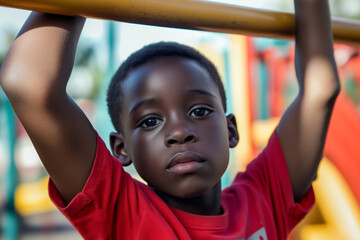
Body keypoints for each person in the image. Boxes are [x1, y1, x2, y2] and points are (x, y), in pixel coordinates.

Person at [0, 0, 340, 239]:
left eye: (199, 111)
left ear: (230, 129)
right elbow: (29, 85)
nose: (179, 132)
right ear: (121, 148)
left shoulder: (264, 198)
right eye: (149, 121)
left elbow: (319, 90)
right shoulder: (122, 212)